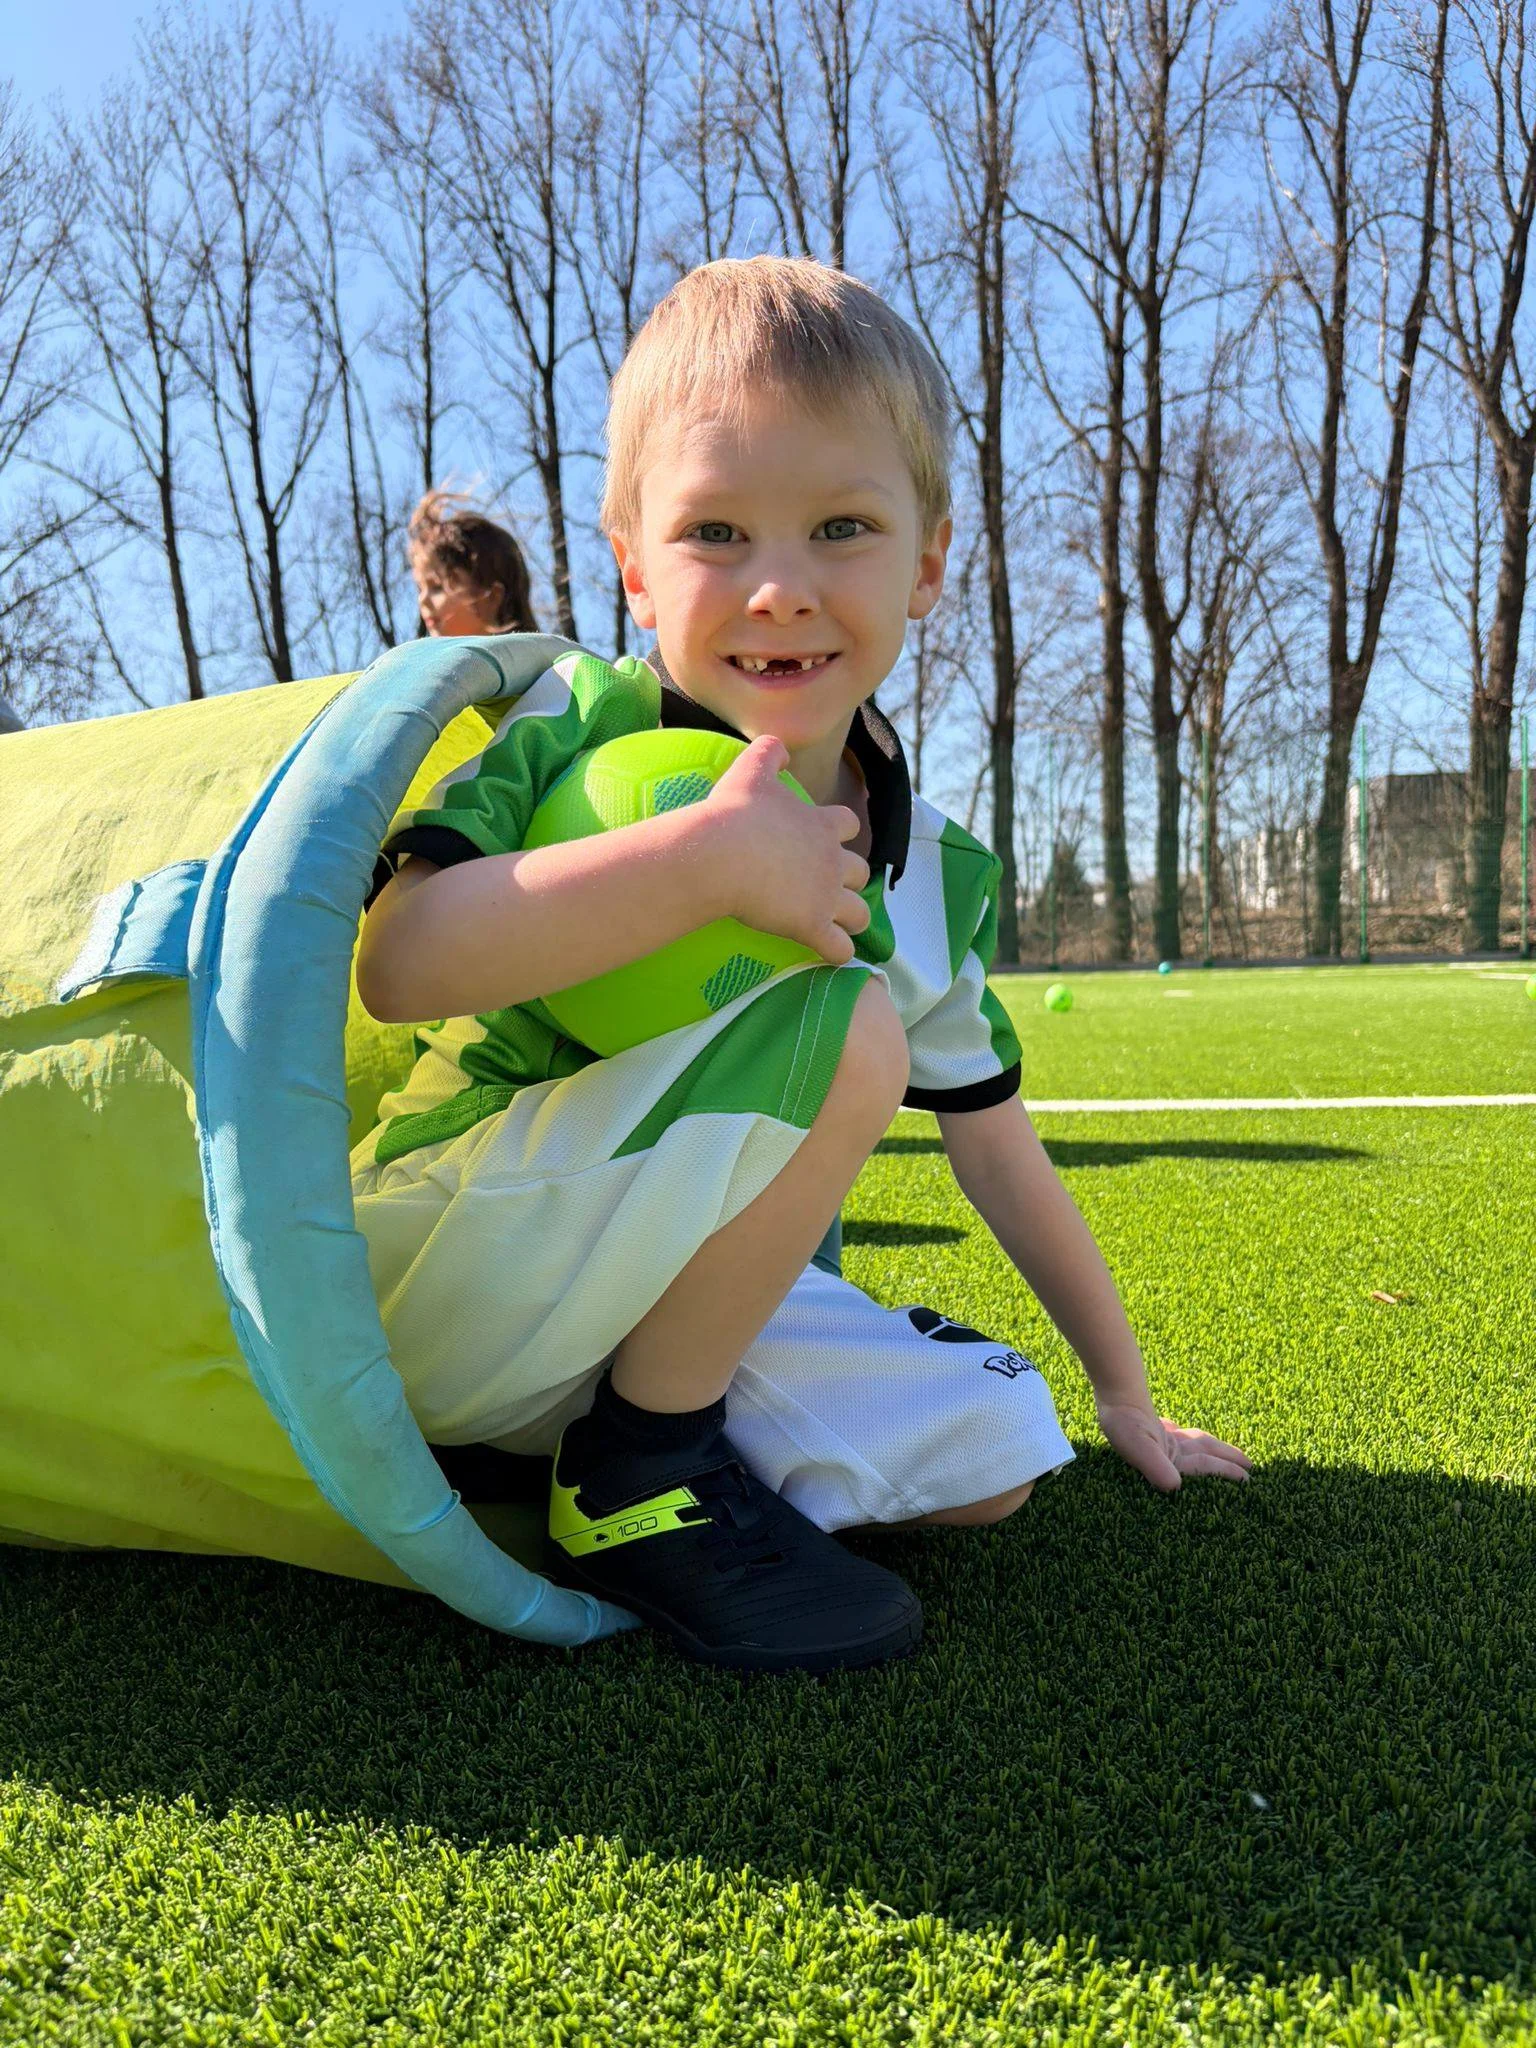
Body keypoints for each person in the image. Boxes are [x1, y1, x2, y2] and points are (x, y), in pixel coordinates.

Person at [353, 258, 1251, 1673]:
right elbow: (400, 963)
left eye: (842, 526)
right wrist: (699, 863)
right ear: (637, 568)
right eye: (717, 531)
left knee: (997, 1461)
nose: (780, 590)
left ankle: (583, 1444)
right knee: (846, 1028)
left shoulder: (931, 865)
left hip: (644, 1319)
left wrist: (1125, 1393)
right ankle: (637, 1484)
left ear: (929, 561)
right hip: (445, 1260)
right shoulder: (570, 725)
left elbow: (999, 1147)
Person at [407, 487, 539, 637]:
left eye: (438, 587)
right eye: (420, 588)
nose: (423, 599)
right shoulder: (424, 659)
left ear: (491, 596)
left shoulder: (544, 658)